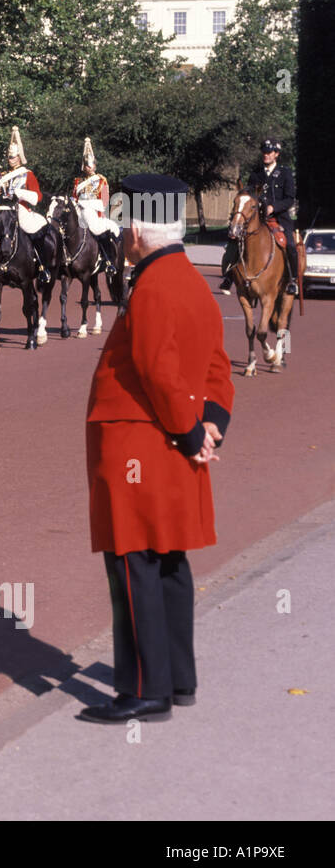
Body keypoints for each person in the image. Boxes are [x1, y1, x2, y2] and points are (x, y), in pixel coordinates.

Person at [81, 174, 234, 724]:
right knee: (169, 559)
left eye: (126, 225)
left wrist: (191, 433)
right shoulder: (191, 281)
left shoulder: (150, 286)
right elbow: (218, 364)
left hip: (138, 440)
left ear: (141, 231)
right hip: (173, 437)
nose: (122, 235)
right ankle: (179, 679)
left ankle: (145, 690)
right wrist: (209, 426)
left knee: (132, 562)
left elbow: (155, 368)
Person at [221, 138, 298, 296]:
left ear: (276, 154)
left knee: (289, 244)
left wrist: (273, 207)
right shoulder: (256, 174)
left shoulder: (285, 173)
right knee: (235, 240)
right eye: (264, 152)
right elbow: (248, 195)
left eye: (269, 152)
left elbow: (290, 198)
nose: (266, 155)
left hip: (279, 217)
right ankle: (229, 276)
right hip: (257, 218)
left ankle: (293, 280)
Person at [0, 126, 54, 288]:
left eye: (13, 157)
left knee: (35, 233)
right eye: (9, 157)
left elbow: (37, 197)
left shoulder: (27, 174)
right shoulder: (2, 176)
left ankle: (42, 267)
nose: (10, 159)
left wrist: (19, 193)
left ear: (19, 157)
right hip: (3, 211)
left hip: (22, 210)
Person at [72, 137, 121, 276]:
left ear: (95, 165)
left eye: (91, 164)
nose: (89, 167)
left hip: (94, 215)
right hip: (80, 214)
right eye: (86, 165)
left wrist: (86, 204)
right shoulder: (78, 181)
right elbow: (74, 198)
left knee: (97, 230)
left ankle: (108, 260)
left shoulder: (101, 180)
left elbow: (104, 202)